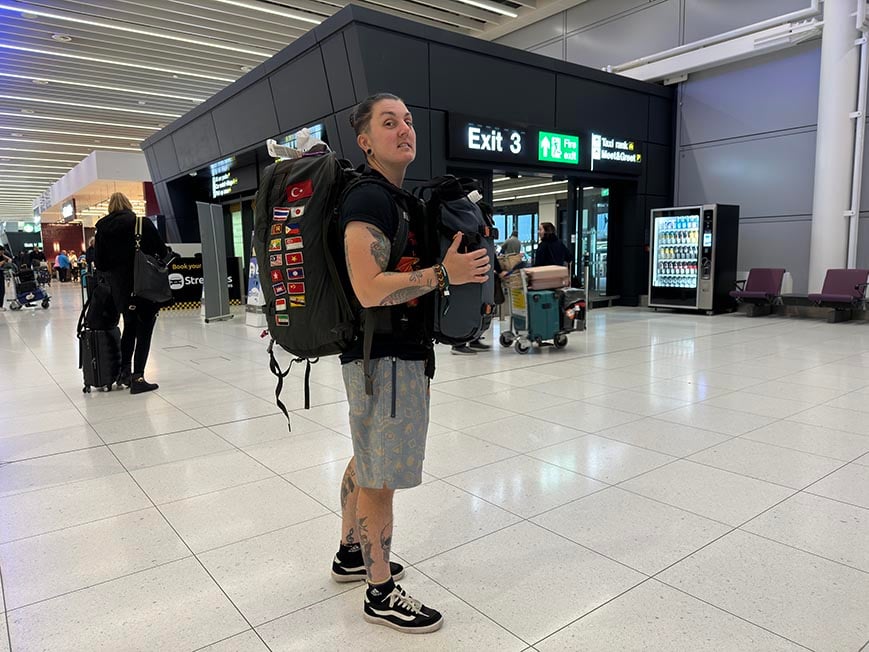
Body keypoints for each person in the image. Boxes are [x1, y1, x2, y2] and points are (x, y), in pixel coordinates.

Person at [335, 92, 489, 634]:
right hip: (385, 360)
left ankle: (352, 555)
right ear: (365, 140)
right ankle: (379, 590)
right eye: (388, 122)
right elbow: (369, 288)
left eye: (407, 121)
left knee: (366, 458)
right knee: (381, 479)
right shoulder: (367, 201)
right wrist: (444, 276)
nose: (404, 130)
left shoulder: (394, 199)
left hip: (393, 357)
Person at [94, 192, 167, 394]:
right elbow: (161, 251)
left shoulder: (102, 230)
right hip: (145, 286)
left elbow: (100, 263)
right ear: (128, 205)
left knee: (130, 327)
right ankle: (138, 377)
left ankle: (123, 372)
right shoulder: (141, 224)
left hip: (121, 290)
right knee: (145, 331)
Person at [0, 245, 10, 310]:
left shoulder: (1, 256)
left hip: (1, 273)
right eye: (1, 251)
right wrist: (4, 261)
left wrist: (3, 256)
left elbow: (9, 259)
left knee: (2, 290)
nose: (2, 252)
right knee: (0, 290)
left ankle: (1, 305)